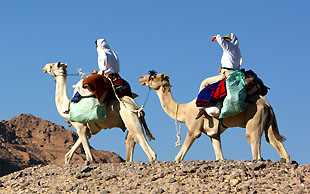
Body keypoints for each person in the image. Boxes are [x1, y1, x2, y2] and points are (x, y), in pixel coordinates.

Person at [196, 33, 242, 119]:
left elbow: (221, 42)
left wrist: (217, 37)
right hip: (235, 74)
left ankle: (201, 106)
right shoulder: (237, 50)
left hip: (227, 74)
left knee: (205, 82)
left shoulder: (229, 47)